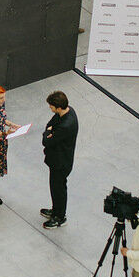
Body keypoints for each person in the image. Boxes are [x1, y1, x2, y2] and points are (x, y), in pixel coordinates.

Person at [40, 90, 78, 228]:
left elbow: (47, 141)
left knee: (58, 189)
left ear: (59, 107)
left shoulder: (66, 125)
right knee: (55, 187)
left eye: (51, 107)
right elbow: (50, 124)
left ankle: (60, 217)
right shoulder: (66, 112)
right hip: (57, 159)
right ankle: (56, 210)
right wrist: (49, 131)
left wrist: (48, 132)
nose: (50, 109)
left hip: (60, 162)